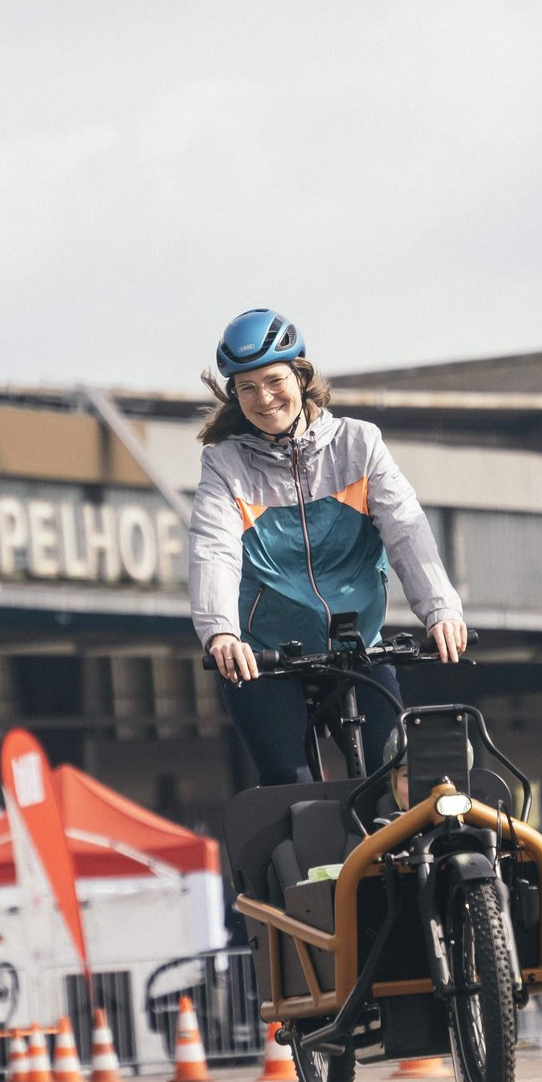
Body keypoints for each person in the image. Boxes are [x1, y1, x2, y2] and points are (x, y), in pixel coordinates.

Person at [188, 310, 467, 785]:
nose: (264, 398)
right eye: (247, 388)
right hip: (265, 656)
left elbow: (406, 528)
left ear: (301, 376)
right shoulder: (224, 465)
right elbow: (213, 549)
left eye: (274, 381)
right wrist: (221, 633)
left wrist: (440, 609)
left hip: (358, 648)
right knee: (291, 786)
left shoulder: (359, 444)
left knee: (398, 781)